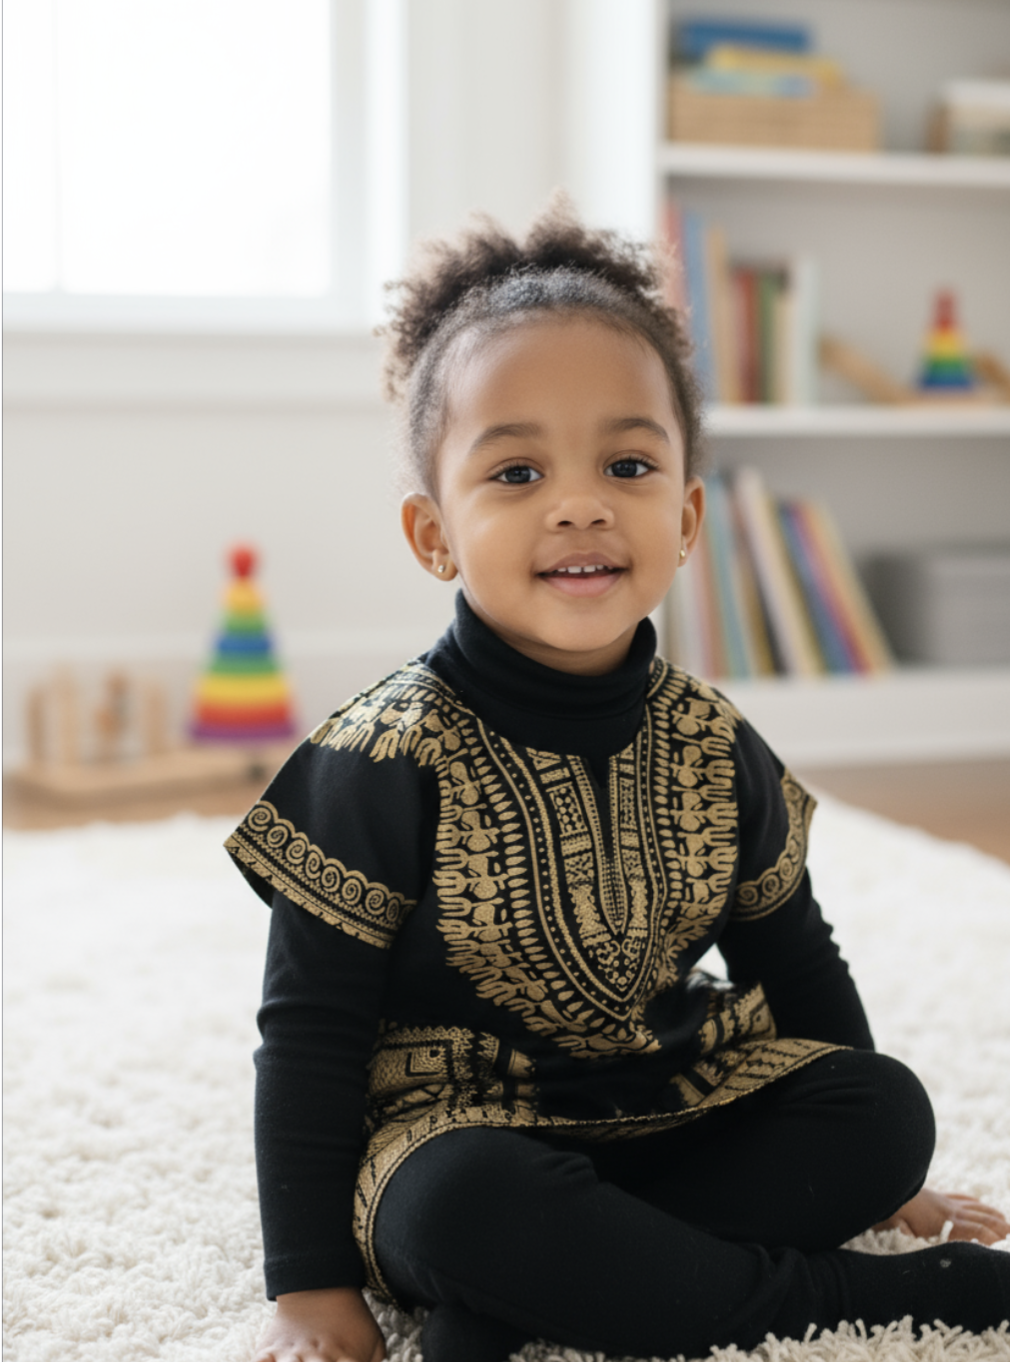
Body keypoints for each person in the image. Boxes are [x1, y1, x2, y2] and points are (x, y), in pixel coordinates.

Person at [229, 202, 1009, 1362]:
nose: (579, 500)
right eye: (517, 470)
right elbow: (307, 1034)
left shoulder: (709, 738)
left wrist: (891, 1182)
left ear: (685, 516)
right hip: (454, 1137)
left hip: (669, 1097)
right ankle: (823, 1292)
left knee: (880, 1107)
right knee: (466, 1208)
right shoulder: (376, 758)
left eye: (627, 463)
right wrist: (307, 1287)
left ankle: (529, 1295)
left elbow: (792, 958)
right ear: (433, 533)